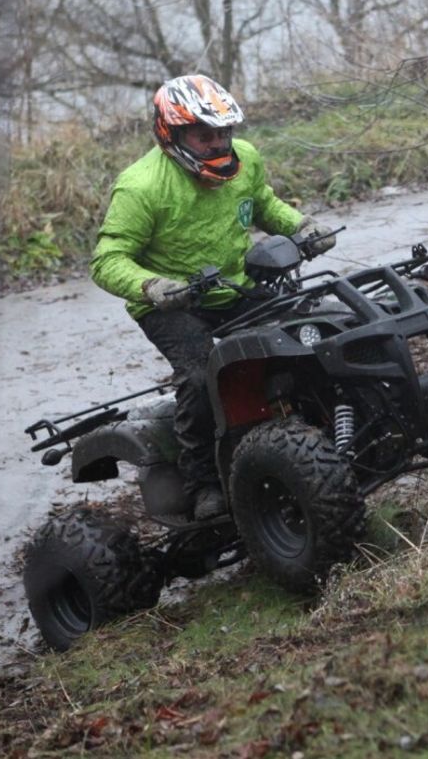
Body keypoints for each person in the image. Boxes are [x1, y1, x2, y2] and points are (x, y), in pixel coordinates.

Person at [90, 74, 336, 520]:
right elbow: (107, 260)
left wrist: (302, 227)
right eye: (205, 136)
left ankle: (321, 432)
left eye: (224, 132)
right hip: (171, 304)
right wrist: (151, 286)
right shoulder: (141, 186)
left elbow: (263, 204)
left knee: (308, 332)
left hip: (233, 287)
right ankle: (203, 481)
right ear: (172, 134)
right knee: (202, 377)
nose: (219, 144)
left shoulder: (245, 159)